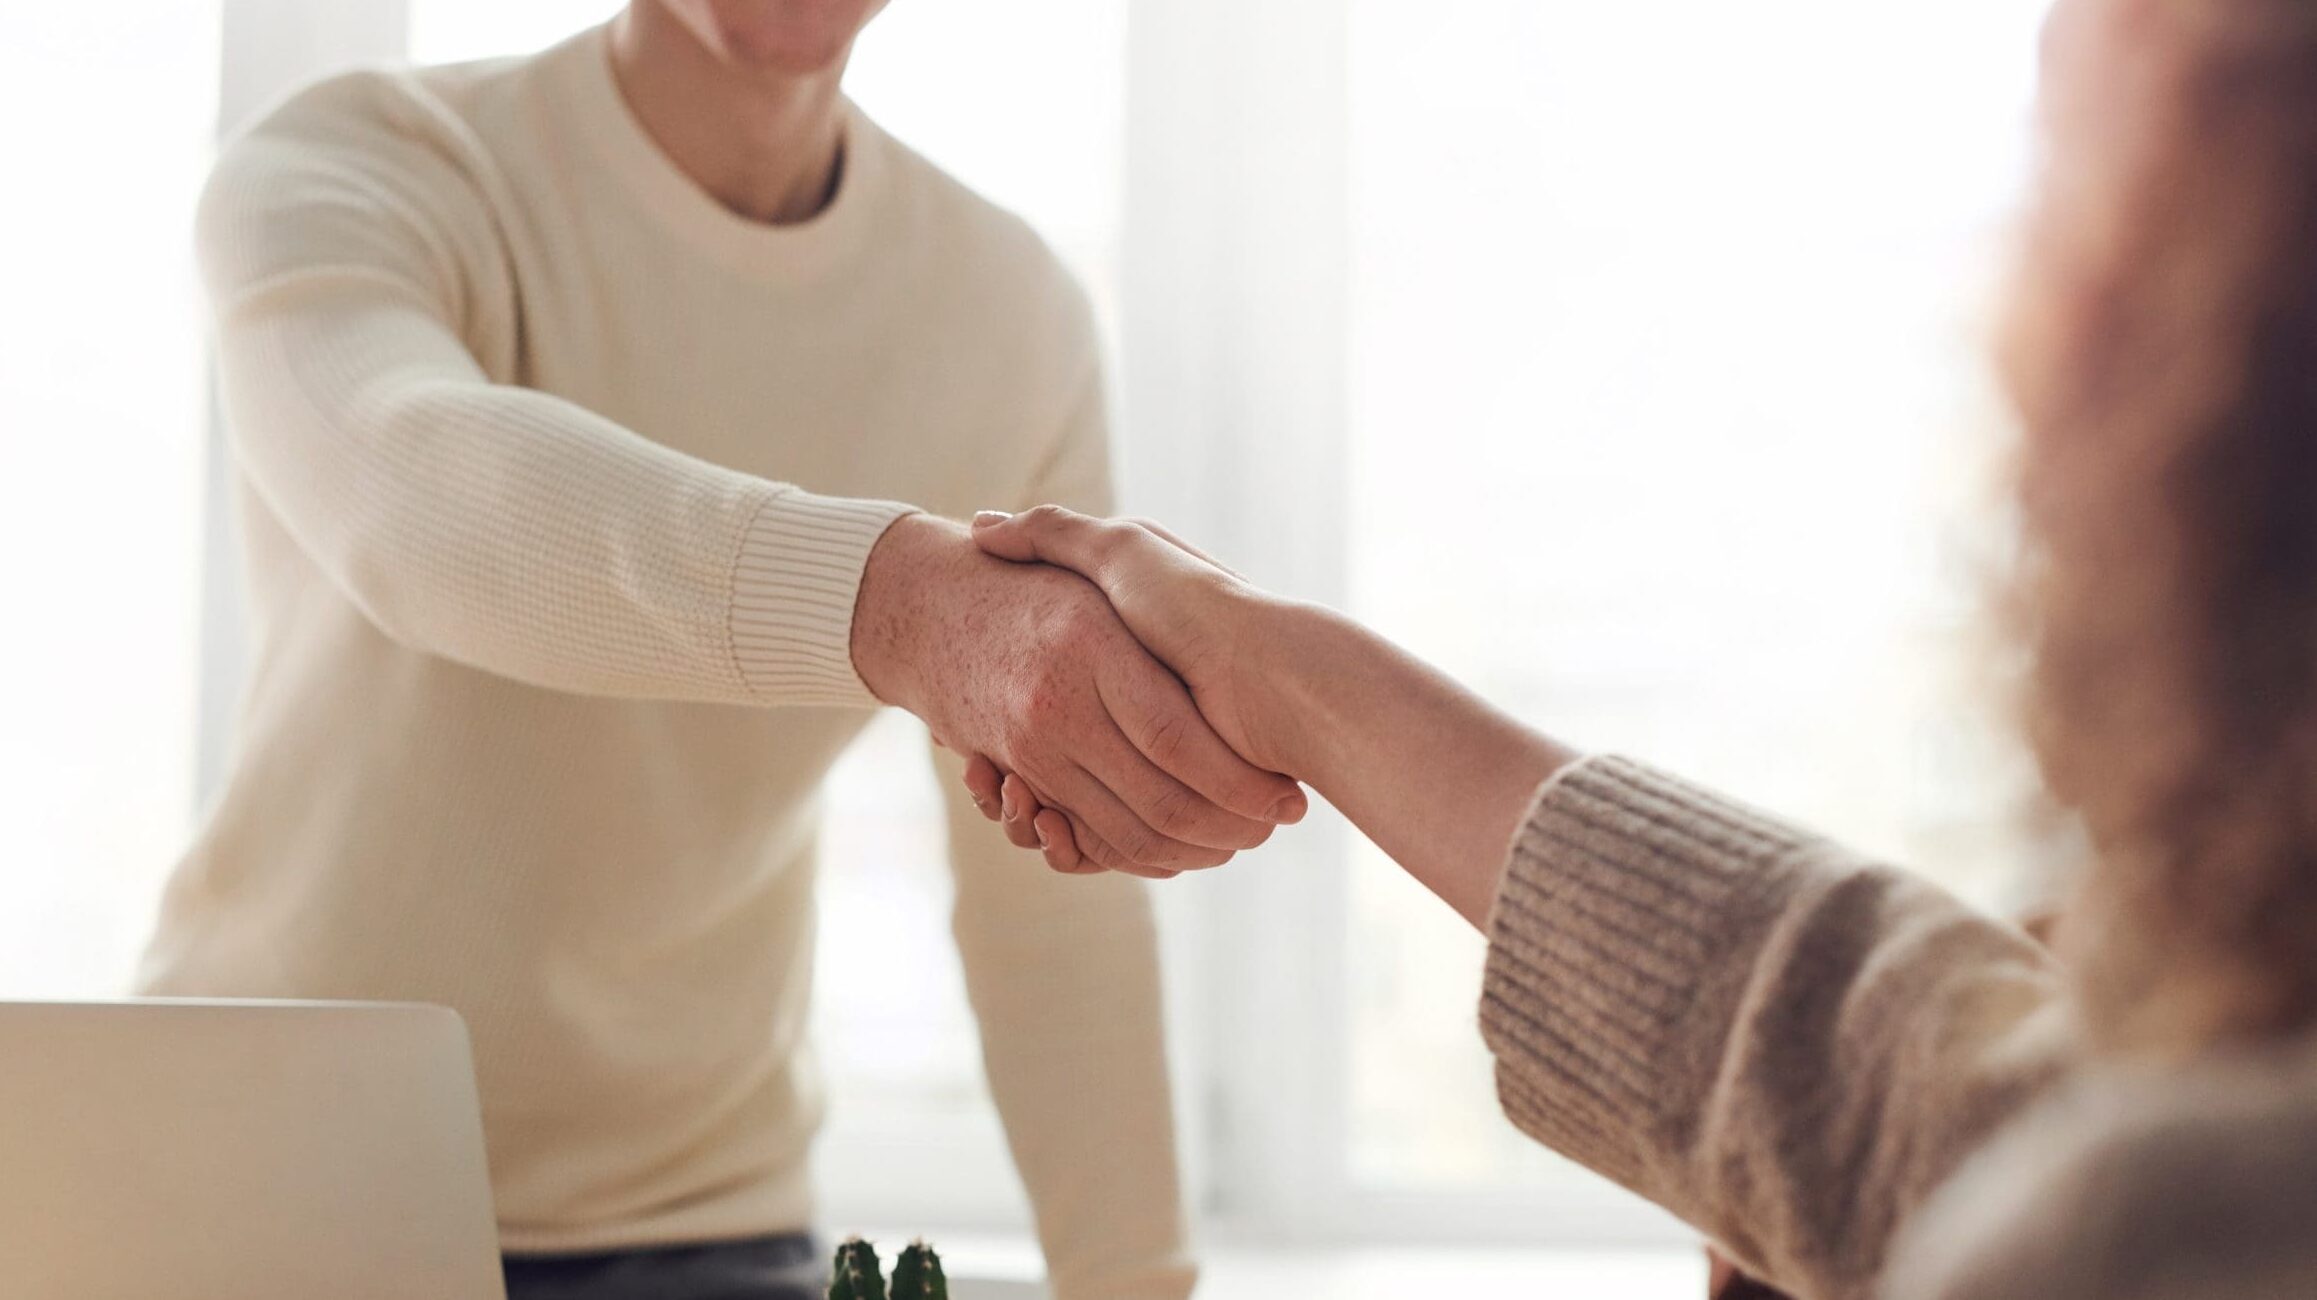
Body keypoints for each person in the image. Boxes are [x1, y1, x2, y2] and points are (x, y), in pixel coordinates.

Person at [958, 0, 2317, 1295]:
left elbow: (1968, 1141)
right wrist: (1297, 683)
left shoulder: (2155, 1229)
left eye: (2070, 200)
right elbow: (1927, 1095)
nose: (2005, 328)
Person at [142, 2, 1306, 1297]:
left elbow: (1048, 896)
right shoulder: (362, 161)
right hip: (249, 1184)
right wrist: (899, 609)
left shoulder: (1006, 310)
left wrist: (1135, 1280)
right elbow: (411, 496)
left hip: (702, 1223)